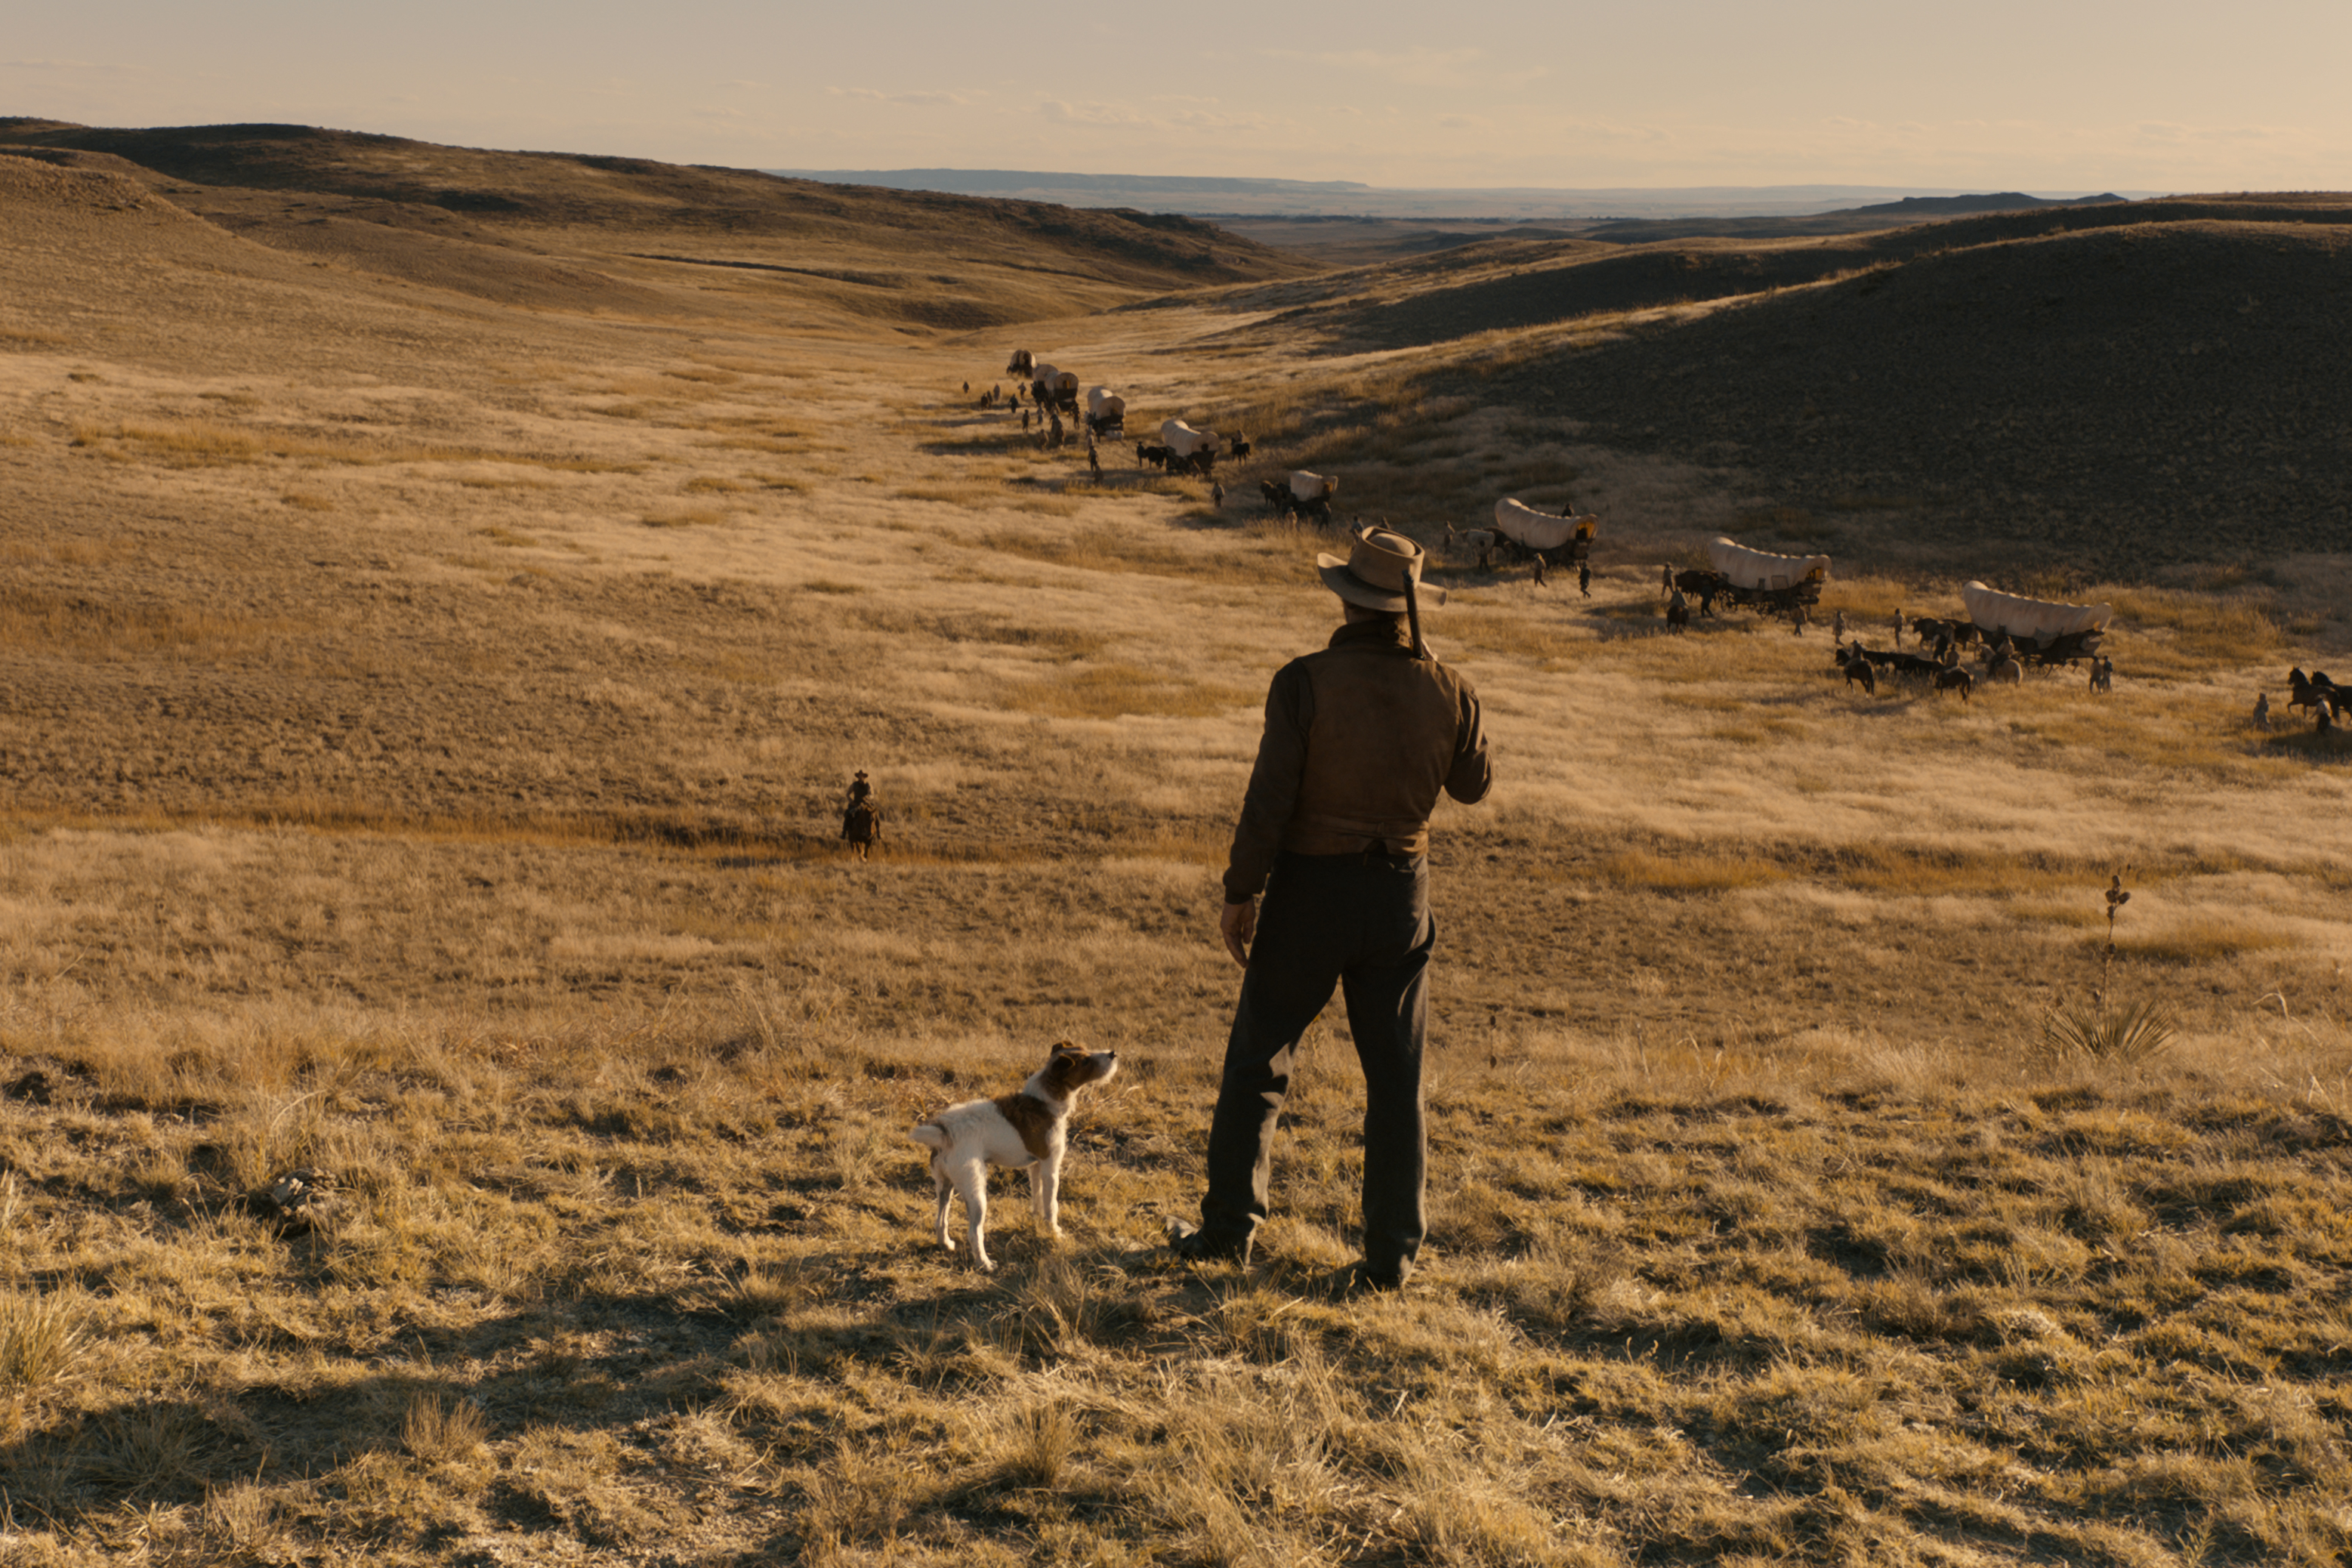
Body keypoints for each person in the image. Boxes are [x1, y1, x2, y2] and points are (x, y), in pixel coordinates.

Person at [1168, 527, 1492, 1291]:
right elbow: (1475, 785)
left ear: (1348, 601)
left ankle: (1228, 1234)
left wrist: (1241, 891)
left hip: (1312, 889)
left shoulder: (1305, 682)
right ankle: (1389, 1262)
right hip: (1399, 897)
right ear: (1410, 609)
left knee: (1258, 1064)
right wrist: (1447, 688)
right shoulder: (1447, 685)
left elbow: (1270, 799)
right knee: (1396, 1081)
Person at [841, 770, 881, 861]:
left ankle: (878, 832)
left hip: (866, 804)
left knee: (874, 814)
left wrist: (867, 798)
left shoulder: (868, 785)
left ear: (864, 777)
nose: (861, 777)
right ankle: (844, 832)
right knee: (848, 814)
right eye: (860, 776)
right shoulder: (854, 785)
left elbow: (872, 794)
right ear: (858, 776)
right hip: (856, 804)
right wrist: (851, 801)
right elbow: (848, 794)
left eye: (862, 776)